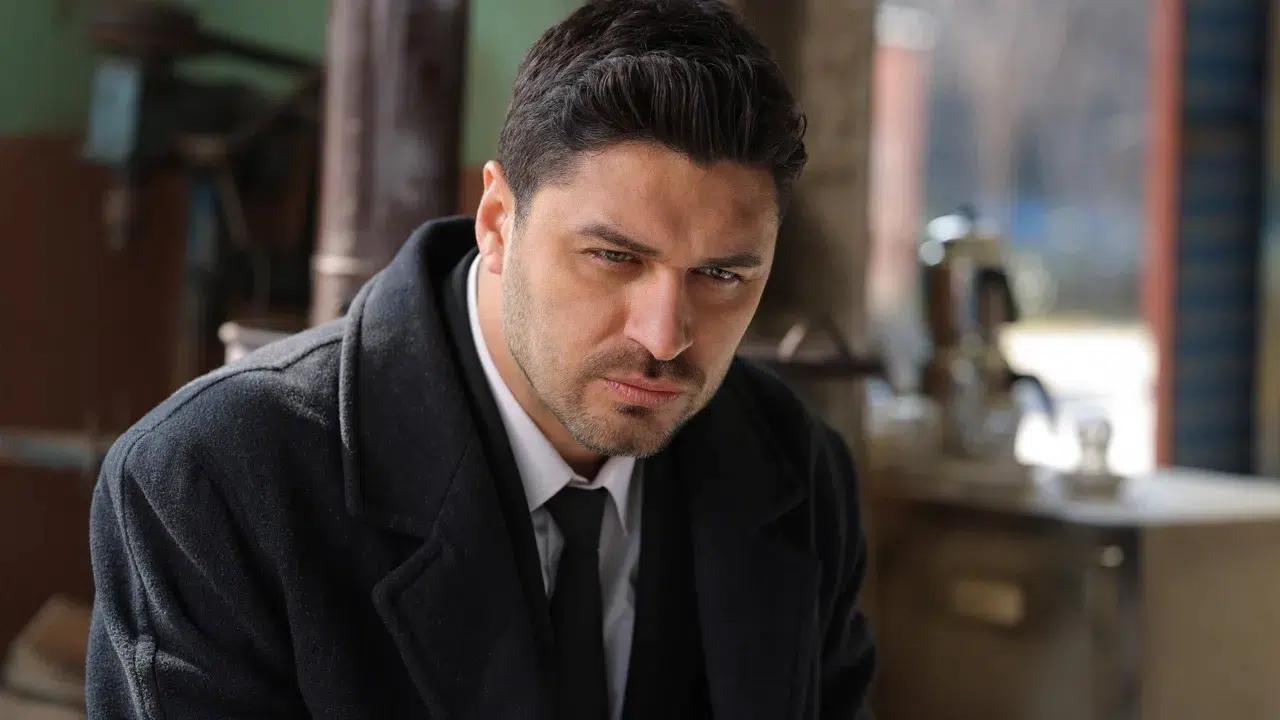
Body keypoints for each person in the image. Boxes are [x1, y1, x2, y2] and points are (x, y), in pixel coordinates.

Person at [85, 0, 876, 717]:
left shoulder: (797, 471)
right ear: (497, 221)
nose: (665, 336)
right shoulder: (214, 480)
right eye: (613, 257)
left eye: (722, 276)